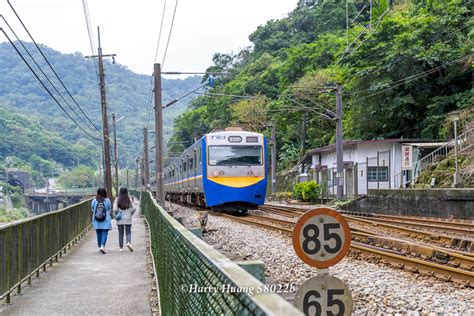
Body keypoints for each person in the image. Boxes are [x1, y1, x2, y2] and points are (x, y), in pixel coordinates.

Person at [113, 187, 136, 252]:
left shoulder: (117, 199)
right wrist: (130, 213)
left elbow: (114, 209)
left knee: (120, 233)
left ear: (120, 192)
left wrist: (117, 213)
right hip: (128, 218)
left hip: (120, 219)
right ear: (126, 192)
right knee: (128, 232)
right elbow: (134, 208)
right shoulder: (129, 199)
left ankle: (121, 248)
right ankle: (128, 242)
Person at [91, 187, 112, 254]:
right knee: (104, 233)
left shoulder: (94, 200)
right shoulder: (107, 200)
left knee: (98, 234)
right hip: (105, 219)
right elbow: (109, 209)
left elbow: (92, 209)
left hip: (96, 219)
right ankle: (102, 246)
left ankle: (100, 246)